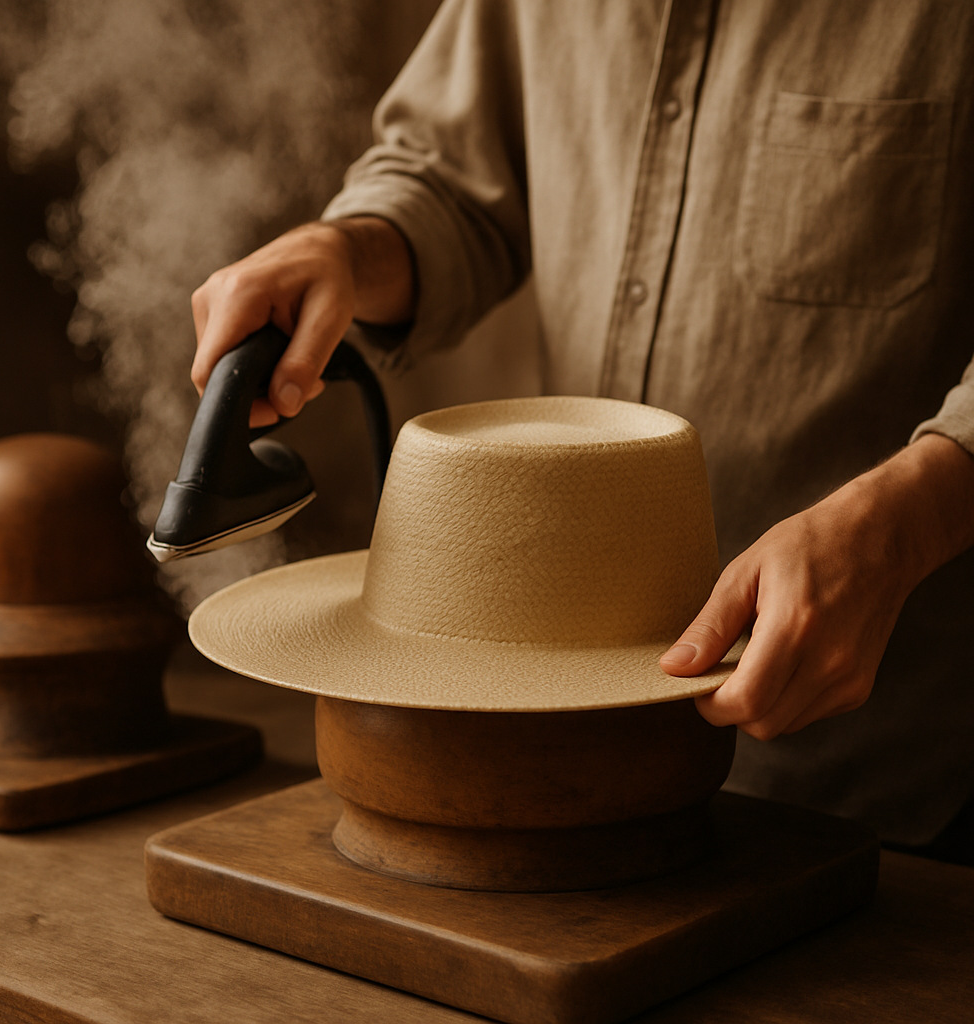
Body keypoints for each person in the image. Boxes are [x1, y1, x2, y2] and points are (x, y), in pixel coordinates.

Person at [187, 0, 974, 852]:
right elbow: (450, 181)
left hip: (892, 786)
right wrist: (346, 250)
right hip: (547, 772)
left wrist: (905, 525)